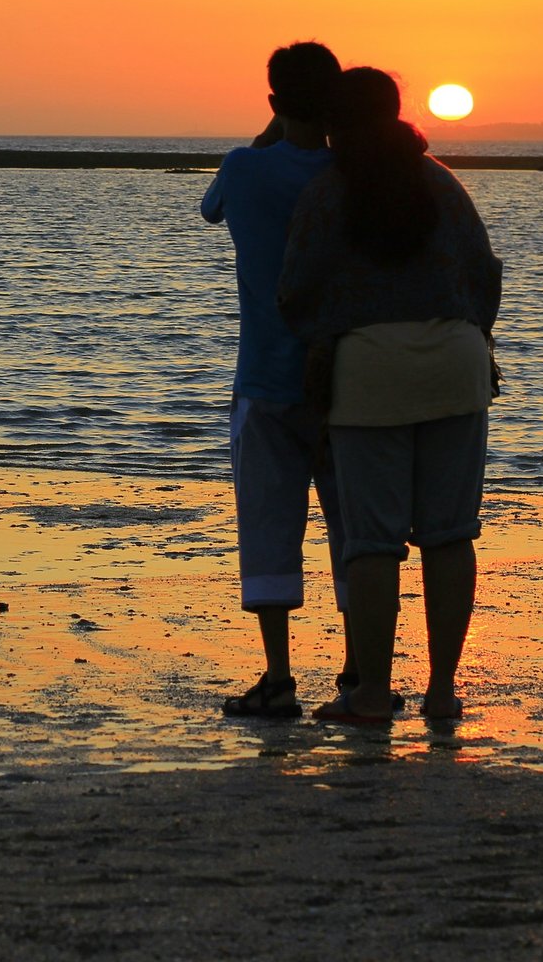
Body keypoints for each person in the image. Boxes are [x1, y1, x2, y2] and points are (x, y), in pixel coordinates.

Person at [278, 67, 502, 723]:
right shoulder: (443, 183)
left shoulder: (325, 193)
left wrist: (327, 336)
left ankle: (373, 693)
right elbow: (485, 276)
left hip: (369, 369)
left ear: (333, 125)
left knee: (373, 543)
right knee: (450, 535)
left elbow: (296, 291)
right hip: (457, 364)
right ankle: (441, 692)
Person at [201, 41, 351, 718]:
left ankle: (279, 677)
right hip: (348, 382)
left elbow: (210, 208)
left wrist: (268, 134)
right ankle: (359, 671)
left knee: (267, 525)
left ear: (271, 102)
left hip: (264, 378)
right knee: (356, 530)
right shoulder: (352, 174)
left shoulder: (244, 168)